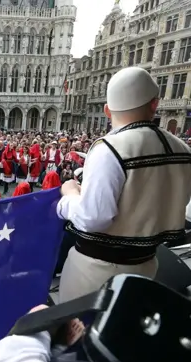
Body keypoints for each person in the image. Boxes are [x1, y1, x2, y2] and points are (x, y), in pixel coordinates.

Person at [57, 67, 191, 303]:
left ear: (107, 110)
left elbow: (93, 218)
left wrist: (68, 197)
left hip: (95, 273)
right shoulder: (183, 150)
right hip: (147, 266)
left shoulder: (109, 149)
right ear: (154, 104)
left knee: (79, 334)